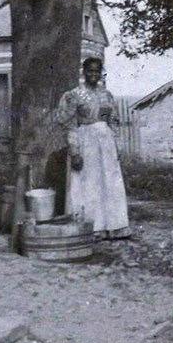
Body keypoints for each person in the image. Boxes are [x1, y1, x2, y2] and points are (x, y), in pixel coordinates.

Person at [55, 57, 131, 240]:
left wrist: (117, 147)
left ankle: (114, 226)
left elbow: (114, 123)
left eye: (97, 71)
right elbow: (70, 124)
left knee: (109, 182)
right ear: (84, 72)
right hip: (85, 141)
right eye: (90, 71)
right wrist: (75, 151)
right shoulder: (74, 95)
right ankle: (93, 227)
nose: (94, 75)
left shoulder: (107, 95)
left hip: (105, 143)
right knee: (89, 184)